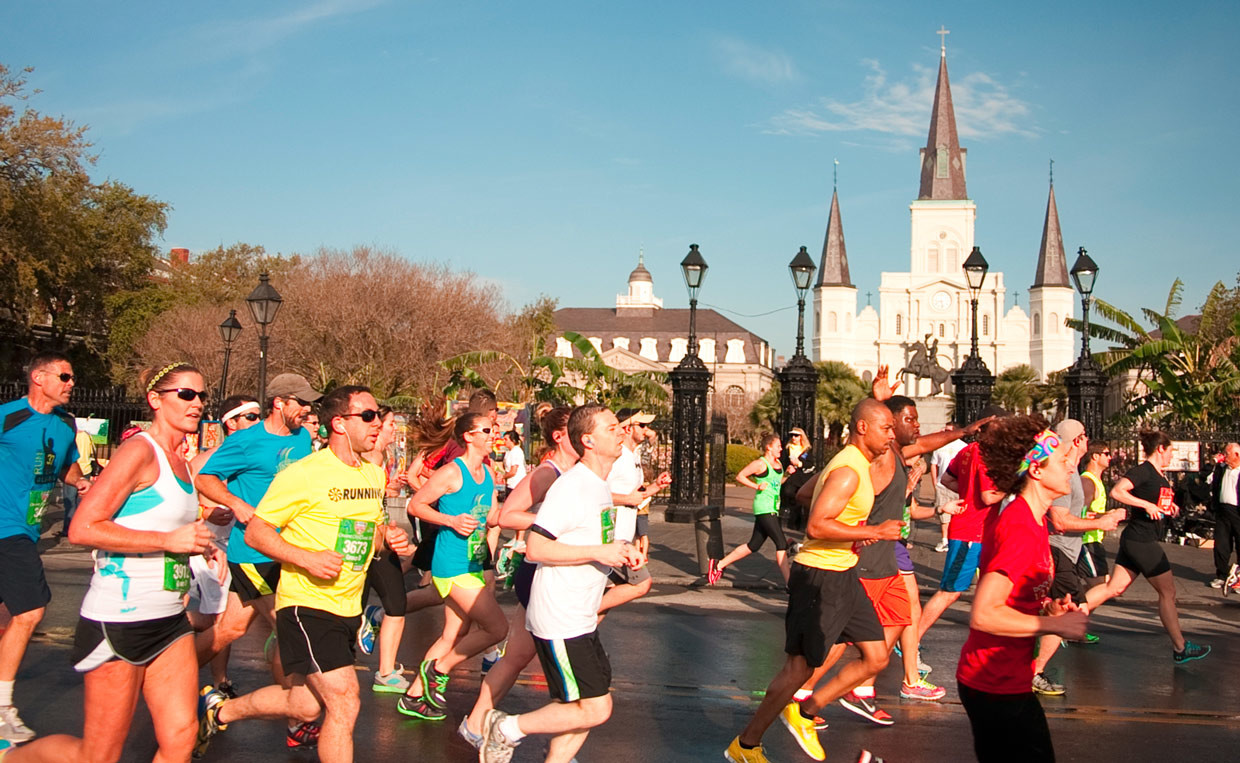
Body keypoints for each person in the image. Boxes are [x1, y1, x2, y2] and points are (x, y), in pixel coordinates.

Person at [2, 362, 223, 762]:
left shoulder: (181, 461)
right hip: (120, 619)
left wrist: (202, 543)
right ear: (155, 400)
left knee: (181, 738)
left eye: (202, 395)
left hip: (170, 620)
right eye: (186, 394)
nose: (197, 403)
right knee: (98, 755)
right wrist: (168, 541)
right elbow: (83, 528)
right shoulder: (139, 451)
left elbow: (164, 525)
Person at [195, 385, 410, 763]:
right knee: (345, 701)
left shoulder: (373, 475)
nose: (377, 423)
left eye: (378, 416)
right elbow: (257, 533)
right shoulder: (303, 474)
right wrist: (306, 559)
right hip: (308, 604)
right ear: (339, 423)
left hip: (349, 606)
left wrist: (390, 539)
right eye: (368, 416)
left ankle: (218, 712)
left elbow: (372, 533)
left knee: (306, 705)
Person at [723, 399, 902, 763]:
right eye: (886, 428)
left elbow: (805, 494)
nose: (891, 435)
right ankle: (745, 746)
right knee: (799, 668)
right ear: (863, 428)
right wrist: (873, 530)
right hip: (820, 576)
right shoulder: (849, 471)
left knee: (876, 656)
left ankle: (806, 711)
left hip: (844, 572)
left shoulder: (854, 463)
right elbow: (817, 525)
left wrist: (851, 530)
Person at [479, 404, 645, 763]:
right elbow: (537, 548)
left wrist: (622, 548)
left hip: (580, 614)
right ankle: (505, 727)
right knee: (596, 707)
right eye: (612, 428)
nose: (621, 432)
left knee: (581, 705)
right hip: (561, 617)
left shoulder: (597, 485)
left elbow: (588, 536)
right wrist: (600, 552)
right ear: (588, 440)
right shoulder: (572, 487)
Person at [193, 372, 322, 749]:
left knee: (231, 629)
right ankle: (297, 716)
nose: (306, 410)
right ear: (279, 403)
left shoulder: (302, 438)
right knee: (290, 628)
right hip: (253, 551)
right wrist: (237, 504)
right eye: (300, 403)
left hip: (288, 549)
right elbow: (205, 479)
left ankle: (170, 674)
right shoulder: (246, 441)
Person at [957, 417, 1090, 763]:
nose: (1071, 466)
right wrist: (1054, 625)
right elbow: (984, 614)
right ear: (1036, 470)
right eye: (1062, 460)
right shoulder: (1020, 528)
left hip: (1009, 679)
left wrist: (1047, 607)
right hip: (992, 683)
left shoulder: (1034, 519)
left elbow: (1015, 594)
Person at [460, 406, 577, 749]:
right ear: (559, 436)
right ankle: (558, 749)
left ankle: (474, 724)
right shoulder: (547, 472)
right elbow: (505, 516)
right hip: (540, 573)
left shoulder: (575, 472)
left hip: (552, 572)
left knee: (515, 658)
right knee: (568, 666)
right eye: (577, 429)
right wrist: (551, 524)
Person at [0, 352, 92, 744]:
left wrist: (84, 482)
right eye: (65, 376)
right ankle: (2, 709)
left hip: (27, 530)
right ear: (39, 377)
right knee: (30, 610)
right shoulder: (9, 417)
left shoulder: (64, 426)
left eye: (72, 377)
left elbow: (66, 467)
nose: (72, 383)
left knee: (10, 615)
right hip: (5, 529)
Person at [397, 413, 508, 720]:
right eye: (486, 430)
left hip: (473, 562)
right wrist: (451, 520)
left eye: (494, 430)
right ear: (468, 436)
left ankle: (413, 696)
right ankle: (439, 670)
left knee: (453, 636)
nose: (493, 435)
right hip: (452, 564)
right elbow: (416, 505)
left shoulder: (488, 471)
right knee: (497, 628)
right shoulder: (451, 472)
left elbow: (492, 517)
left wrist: (527, 517)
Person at [1085, 431, 1211, 663]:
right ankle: (1180, 647)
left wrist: (1168, 507)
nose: (1172, 455)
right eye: (1171, 451)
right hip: (1141, 540)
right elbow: (1117, 491)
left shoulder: (1158, 475)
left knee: (1114, 588)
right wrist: (1146, 505)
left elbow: (1156, 500)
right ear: (1160, 449)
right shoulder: (1143, 470)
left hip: (1137, 539)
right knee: (1168, 592)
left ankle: (1065, 617)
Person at [1029, 420, 1122, 696]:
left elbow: (1065, 514)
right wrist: (1100, 523)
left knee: (1054, 611)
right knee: (1072, 612)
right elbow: (1059, 520)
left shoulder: (1071, 470)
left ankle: (1028, 663)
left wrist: (1090, 517)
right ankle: (1033, 671)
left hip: (1063, 552)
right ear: (1078, 440)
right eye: (1085, 436)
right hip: (1056, 550)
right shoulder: (1065, 472)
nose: (1088, 440)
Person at [916, 405, 1009, 654]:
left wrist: (969, 493)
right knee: (950, 592)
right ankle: (911, 639)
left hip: (982, 532)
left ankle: (989, 640)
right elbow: (989, 496)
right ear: (991, 426)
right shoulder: (985, 454)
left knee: (991, 588)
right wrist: (1015, 485)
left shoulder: (968, 450)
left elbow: (947, 479)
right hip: (970, 533)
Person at [188, 395, 262, 696]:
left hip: (240, 545)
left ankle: (219, 681)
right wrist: (205, 512)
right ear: (231, 423)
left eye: (259, 416)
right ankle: (210, 680)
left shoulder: (258, 458)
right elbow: (181, 504)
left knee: (225, 620)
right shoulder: (203, 461)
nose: (258, 422)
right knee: (219, 619)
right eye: (251, 417)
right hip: (205, 546)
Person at [357, 407, 412, 692]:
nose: (393, 428)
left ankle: (386, 672)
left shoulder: (384, 455)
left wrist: (389, 489)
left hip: (381, 538)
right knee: (352, 608)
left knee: (396, 603)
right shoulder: (368, 455)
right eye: (390, 423)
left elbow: (377, 496)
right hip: (363, 538)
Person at [710, 433, 791, 584]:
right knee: (781, 544)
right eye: (778, 446)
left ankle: (719, 564)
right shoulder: (760, 464)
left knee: (753, 545)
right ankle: (790, 584)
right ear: (769, 447)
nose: (781, 449)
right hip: (764, 507)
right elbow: (740, 476)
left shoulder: (778, 463)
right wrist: (756, 486)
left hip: (774, 506)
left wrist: (789, 475)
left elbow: (777, 482)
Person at [607, 409, 669, 560]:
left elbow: (636, 494)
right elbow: (597, 494)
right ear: (628, 429)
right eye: (641, 425)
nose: (646, 430)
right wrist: (627, 499)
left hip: (626, 537)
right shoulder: (617, 457)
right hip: (613, 538)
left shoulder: (633, 456)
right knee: (640, 576)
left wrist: (657, 486)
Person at [1076, 444, 1113, 589]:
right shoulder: (1087, 481)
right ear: (1095, 456)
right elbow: (1081, 514)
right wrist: (1108, 516)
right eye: (1106, 454)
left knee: (1104, 588)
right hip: (1086, 542)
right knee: (1099, 588)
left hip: (1095, 540)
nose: (1110, 457)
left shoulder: (1096, 481)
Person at [1206, 443, 1240, 589]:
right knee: (1221, 545)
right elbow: (1208, 479)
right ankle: (1221, 575)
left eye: (1227, 454)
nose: (1225, 456)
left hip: (1237, 511)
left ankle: (1238, 579)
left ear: (1237, 455)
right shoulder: (1221, 469)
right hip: (1223, 511)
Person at [930, 423, 967, 553]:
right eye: (945, 430)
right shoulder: (939, 446)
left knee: (958, 514)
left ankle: (956, 540)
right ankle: (945, 540)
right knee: (944, 517)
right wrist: (935, 482)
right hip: (942, 485)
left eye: (948, 430)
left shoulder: (964, 447)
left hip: (958, 486)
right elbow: (933, 464)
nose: (945, 432)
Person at [61, 426, 96, 534]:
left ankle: (69, 528)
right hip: (86, 469)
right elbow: (92, 451)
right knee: (81, 501)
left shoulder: (71, 436)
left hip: (73, 470)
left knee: (70, 500)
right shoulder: (87, 436)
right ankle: (81, 527)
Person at [501, 430, 527, 498]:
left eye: (506, 439)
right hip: (510, 484)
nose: (504, 441)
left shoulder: (516, 451)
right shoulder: (508, 452)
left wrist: (502, 477)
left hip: (516, 485)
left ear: (512, 440)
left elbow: (513, 471)